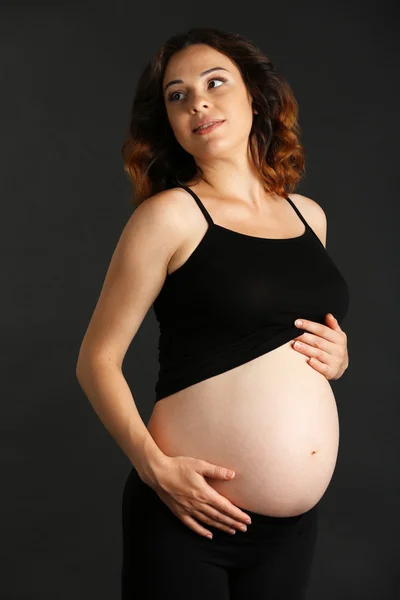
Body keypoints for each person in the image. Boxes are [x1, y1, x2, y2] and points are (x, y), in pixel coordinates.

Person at [76, 26, 350, 600]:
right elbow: (96, 360)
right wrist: (155, 468)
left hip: (289, 530)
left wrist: (338, 356)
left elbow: (288, 330)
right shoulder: (171, 217)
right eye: (178, 95)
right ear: (171, 123)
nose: (198, 101)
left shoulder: (310, 217)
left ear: (256, 95)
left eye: (215, 83)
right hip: (187, 516)